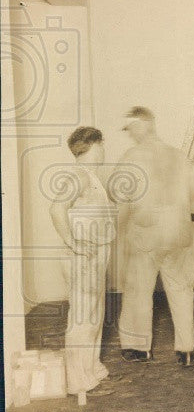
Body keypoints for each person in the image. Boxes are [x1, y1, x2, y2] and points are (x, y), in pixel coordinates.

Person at [116, 107, 194, 367]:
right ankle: (185, 349)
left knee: (139, 289)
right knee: (181, 288)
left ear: (143, 125)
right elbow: (193, 194)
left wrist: (119, 230)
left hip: (147, 232)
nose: (130, 135)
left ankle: (139, 348)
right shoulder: (179, 156)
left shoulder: (132, 157)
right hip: (178, 231)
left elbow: (120, 198)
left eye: (132, 128)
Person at [50, 127, 119, 397]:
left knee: (93, 315)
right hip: (83, 258)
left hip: (95, 256)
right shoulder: (77, 176)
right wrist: (72, 242)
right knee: (83, 318)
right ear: (93, 145)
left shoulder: (91, 176)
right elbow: (56, 208)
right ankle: (79, 381)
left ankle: (92, 369)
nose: (104, 149)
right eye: (102, 144)